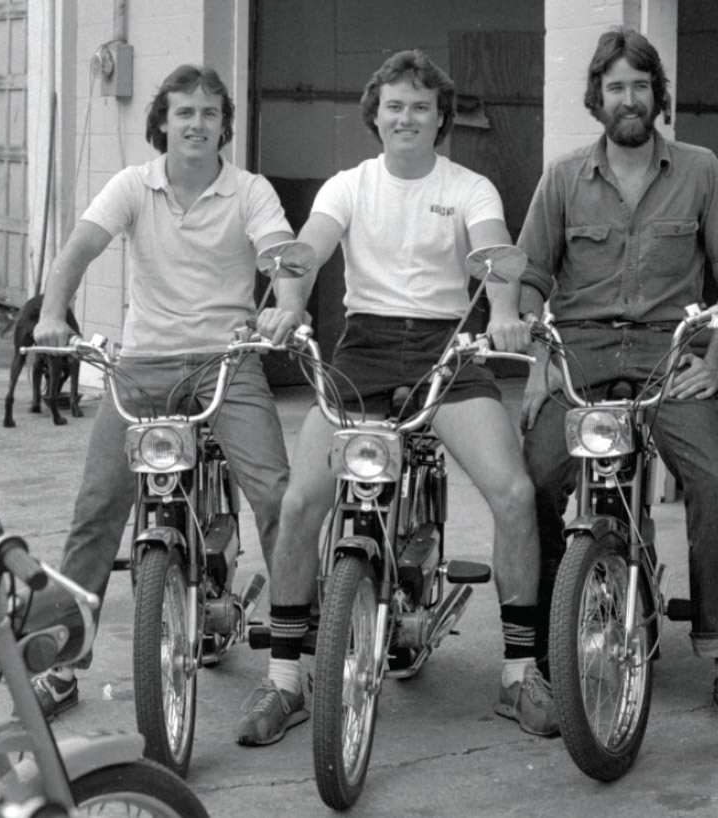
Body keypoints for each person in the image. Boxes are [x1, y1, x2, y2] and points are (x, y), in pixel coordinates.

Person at [236, 49, 560, 746]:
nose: (406, 116)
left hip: (447, 345)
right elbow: (307, 251)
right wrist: (288, 302)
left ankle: (519, 672)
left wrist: (503, 309)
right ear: (375, 116)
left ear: (441, 117)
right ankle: (287, 681)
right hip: (365, 346)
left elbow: (494, 255)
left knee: (513, 493)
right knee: (299, 503)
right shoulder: (348, 186)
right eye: (394, 105)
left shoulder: (470, 187)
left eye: (420, 106)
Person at [517, 27, 718, 735]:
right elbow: (531, 281)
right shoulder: (563, 176)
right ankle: (543, 653)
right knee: (534, 477)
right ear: (596, 98)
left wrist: (714, 361)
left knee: (716, 482)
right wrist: (540, 360)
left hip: (669, 349)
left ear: (659, 95)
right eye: (615, 87)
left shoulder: (700, 169)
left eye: (640, 85)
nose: (629, 99)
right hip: (584, 350)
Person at [30, 64, 294, 718]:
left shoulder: (249, 190)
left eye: (208, 113)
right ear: (163, 123)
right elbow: (78, 250)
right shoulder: (132, 186)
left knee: (276, 493)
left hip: (225, 363)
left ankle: (298, 660)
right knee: (97, 506)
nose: (197, 124)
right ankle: (61, 664)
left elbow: (283, 256)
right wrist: (53, 313)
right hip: (142, 363)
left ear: (223, 124)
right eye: (184, 113)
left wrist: (286, 305)